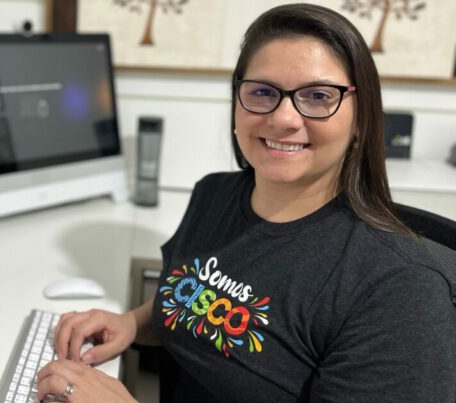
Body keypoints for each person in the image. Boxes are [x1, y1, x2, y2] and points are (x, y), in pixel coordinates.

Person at [37, 3, 456, 402]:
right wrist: (132, 322)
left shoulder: (401, 290)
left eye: (317, 96)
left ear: (361, 117)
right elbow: (189, 300)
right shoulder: (213, 196)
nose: (284, 118)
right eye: (262, 91)